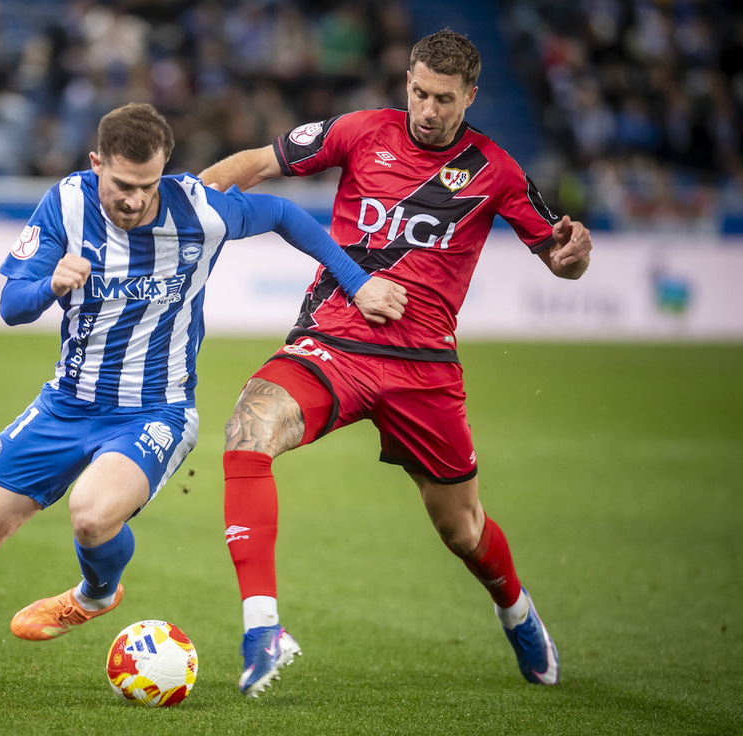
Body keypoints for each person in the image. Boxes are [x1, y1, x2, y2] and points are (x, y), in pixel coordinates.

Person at [0, 102, 389, 687]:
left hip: (156, 411)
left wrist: (357, 284)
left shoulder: (197, 211)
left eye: (147, 186)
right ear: (97, 162)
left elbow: (282, 213)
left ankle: (96, 594)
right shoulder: (67, 203)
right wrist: (51, 284)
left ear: (165, 171)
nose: (133, 199)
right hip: (66, 405)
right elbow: (10, 306)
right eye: (122, 185)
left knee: (92, 515)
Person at [198, 29, 592, 697]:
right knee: (248, 427)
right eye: (418, 92)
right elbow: (259, 164)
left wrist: (573, 255)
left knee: (461, 530)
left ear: (470, 95)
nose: (428, 109)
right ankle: (262, 627)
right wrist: (187, 198)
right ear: (405, 80)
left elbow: (558, 257)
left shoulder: (495, 169)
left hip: (423, 371)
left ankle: (517, 611)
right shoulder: (359, 131)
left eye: (443, 98)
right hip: (334, 344)